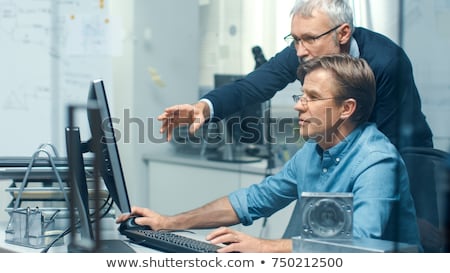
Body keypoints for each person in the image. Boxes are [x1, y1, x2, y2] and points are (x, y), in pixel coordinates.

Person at [118, 54, 421, 253]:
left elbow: (359, 246)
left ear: (347, 108)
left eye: (312, 98)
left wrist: (263, 246)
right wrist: (168, 223)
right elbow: (251, 201)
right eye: (300, 95)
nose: (299, 106)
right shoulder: (313, 152)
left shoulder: (377, 161)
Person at [157, 0, 433, 149]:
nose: (300, 51)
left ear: (344, 33)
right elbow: (250, 87)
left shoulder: (386, 61)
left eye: (310, 38)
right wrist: (205, 107)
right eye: (295, 39)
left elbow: (387, 142)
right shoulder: (303, 52)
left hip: (406, 156)